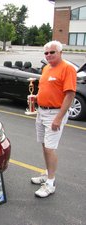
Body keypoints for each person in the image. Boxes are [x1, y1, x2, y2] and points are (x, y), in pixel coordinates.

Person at [30, 40, 76, 198]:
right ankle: (47, 173)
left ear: (60, 52)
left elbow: (70, 95)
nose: (48, 55)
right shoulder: (46, 68)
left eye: (52, 52)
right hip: (41, 112)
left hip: (54, 114)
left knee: (50, 148)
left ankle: (50, 183)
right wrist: (36, 97)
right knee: (44, 146)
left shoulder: (67, 69)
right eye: (46, 53)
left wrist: (59, 117)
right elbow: (47, 89)